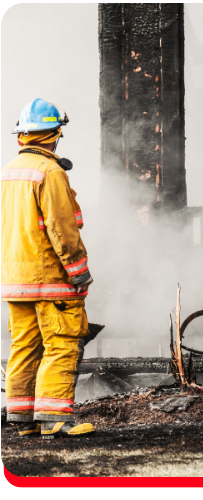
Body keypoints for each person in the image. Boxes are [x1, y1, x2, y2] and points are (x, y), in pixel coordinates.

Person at [1, 98, 96, 438]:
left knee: (24, 346)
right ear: (55, 135)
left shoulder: (9, 172)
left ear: (21, 137)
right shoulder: (50, 172)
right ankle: (55, 419)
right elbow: (62, 229)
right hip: (49, 281)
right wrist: (78, 271)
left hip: (14, 281)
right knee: (61, 342)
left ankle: (23, 420)